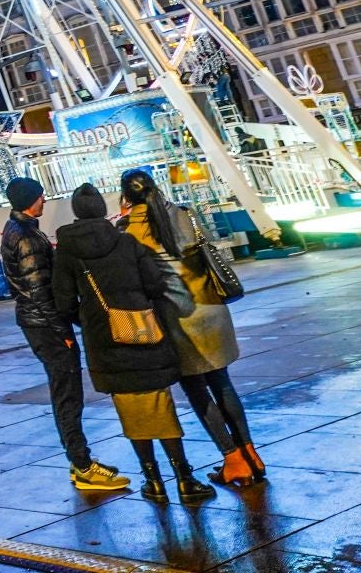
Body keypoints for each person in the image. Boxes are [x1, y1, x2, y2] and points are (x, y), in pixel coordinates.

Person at [51, 184, 215, 505]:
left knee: (130, 410)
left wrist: (93, 320)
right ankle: (184, 479)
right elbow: (155, 284)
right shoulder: (126, 242)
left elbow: (63, 300)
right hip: (144, 332)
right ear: (102, 210)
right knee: (160, 405)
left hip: (105, 339)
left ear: (76, 212)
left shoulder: (67, 252)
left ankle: (152, 481)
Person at [119, 168, 264, 487]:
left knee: (197, 390)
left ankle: (233, 460)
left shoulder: (127, 229)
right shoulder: (184, 213)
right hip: (211, 310)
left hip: (177, 320)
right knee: (223, 384)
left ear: (127, 196)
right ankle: (251, 454)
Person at [0, 177, 128, 492]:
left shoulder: (18, 229)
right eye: (41, 197)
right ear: (31, 199)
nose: (44, 201)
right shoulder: (26, 238)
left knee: (66, 393)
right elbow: (39, 290)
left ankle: (80, 462)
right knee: (67, 395)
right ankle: (83, 466)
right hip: (45, 326)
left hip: (37, 323)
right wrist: (63, 332)